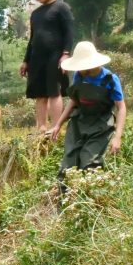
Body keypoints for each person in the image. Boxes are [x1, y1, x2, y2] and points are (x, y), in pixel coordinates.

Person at [49, 41, 127, 175]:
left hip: (100, 125)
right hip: (78, 122)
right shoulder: (79, 76)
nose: (78, 69)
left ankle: (90, 193)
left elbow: (121, 108)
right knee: (68, 165)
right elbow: (73, 101)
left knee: (90, 163)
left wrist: (117, 137)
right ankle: (65, 193)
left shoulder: (110, 79)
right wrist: (58, 125)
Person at [21, 0, 75, 133]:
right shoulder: (35, 14)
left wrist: (66, 53)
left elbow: (69, 32)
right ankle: (41, 127)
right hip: (37, 58)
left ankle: (55, 127)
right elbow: (32, 39)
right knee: (39, 93)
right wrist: (26, 61)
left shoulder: (62, 7)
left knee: (53, 91)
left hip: (55, 56)